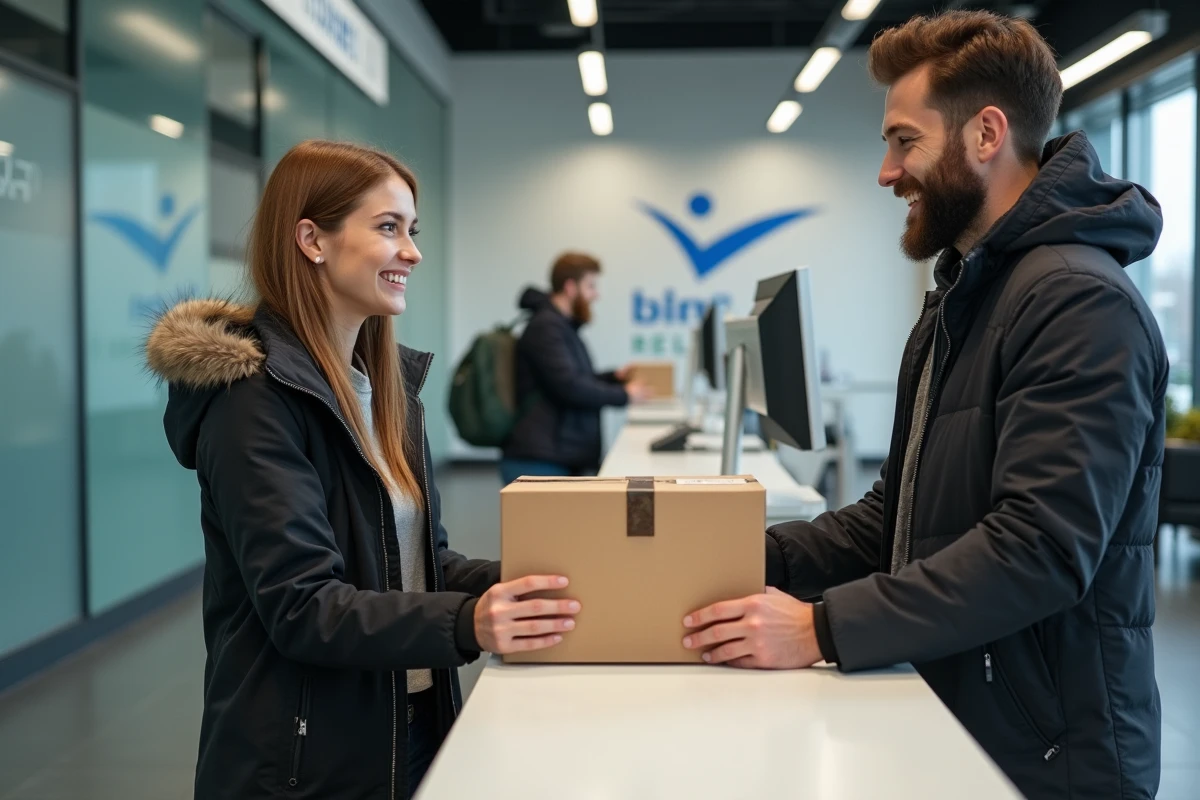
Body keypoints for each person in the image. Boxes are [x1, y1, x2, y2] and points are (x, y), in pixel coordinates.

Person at [682, 11, 1165, 799]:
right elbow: (892, 518)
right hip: (963, 719)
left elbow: (1040, 550)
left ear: (986, 134)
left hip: (1051, 759)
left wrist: (820, 629)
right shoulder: (966, 296)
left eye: (904, 141)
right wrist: (739, 560)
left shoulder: (1076, 302)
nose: (886, 171)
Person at [144, 140, 582, 800]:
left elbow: (417, 562)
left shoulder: (386, 390)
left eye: (412, 230)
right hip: (306, 760)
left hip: (409, 723)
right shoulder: (255, 400)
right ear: (312, 239)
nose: (412, 252)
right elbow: (303, 606)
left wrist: (529, 584)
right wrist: (470, 623)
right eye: (388, 228)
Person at [500, 252, 652, 484]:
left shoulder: (560, 326)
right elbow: (569, 387)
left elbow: (573, 377)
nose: (595, 295)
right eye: (590, 286)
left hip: (555, 454)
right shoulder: (546, 327)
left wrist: (614, 377)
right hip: (540, 458)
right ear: (571, 287)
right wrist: (624, 394)